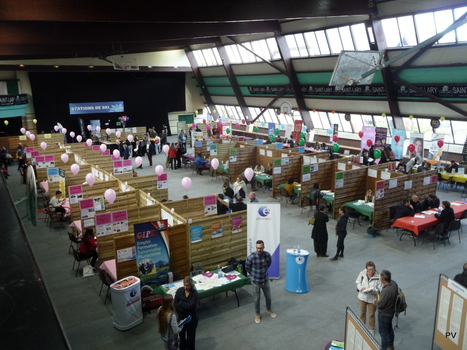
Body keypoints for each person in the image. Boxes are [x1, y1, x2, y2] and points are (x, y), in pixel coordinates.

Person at [245, 240, 277, 324]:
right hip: (256, 281)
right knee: (257, 298)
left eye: (261, 248)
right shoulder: (251, 257)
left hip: (265, 280)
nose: (259, 250)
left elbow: (269, 263)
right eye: (257, 248)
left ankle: (269, 309)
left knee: (268, 296)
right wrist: (254, 275)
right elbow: (247, 267)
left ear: (264, 247)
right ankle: (257, 314)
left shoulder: (267, 255)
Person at [374, 270, 398, 350]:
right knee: (389, 329)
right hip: (390, 313)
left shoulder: (386, 290)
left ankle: (383, 348)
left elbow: (381, 304)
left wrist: (375, 302)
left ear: (383, 278)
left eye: (380, 276)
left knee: (383, 333)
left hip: (384, 314)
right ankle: (390, 345)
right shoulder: (394, 285)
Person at [356, 261, 382, 333]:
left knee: (371, 314)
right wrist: (362, 288)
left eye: (372, 269)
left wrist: (373, 291)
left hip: (372, 299)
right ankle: (362, 326)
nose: (371, 271)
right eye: (369, 270)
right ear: (366, 269)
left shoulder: (378, 277)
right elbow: (358, 282)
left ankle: (371, 329)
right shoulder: (362, 274)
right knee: (362, 313)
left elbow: (380, 289)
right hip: (362, 297)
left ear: (374, 269)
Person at [174, 276, 198, 350]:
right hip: (181, 318)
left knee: (191, 337)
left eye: (187, 285)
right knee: (181, 336)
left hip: (191, 319)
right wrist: (184, 307)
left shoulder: (194, 293)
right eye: (184, 285)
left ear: (191, 285)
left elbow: (191, 306)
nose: (185, 287)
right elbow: (175, 304)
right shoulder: (179, 291)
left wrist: (181, 303)